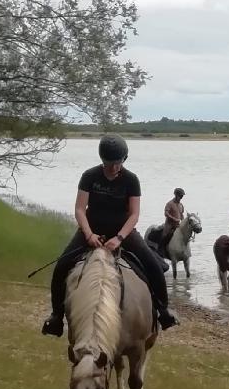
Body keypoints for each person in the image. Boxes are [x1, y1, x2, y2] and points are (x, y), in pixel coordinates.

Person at [42, 135, 179, 336]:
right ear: (102, 160)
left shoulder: (131, 180)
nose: (113, 168)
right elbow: (80, 209)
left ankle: (163, 311)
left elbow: (134, 214)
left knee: (153, 265)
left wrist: (120, 238)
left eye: (117, 163)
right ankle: (56, 316)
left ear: (124, 159)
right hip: (91, 230)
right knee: (61, 266)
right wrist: (88, 235)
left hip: (123, 231)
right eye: (108, 163)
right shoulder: (90, 176)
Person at [160, 187, 185, 256]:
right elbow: (166, 213)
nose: (181, 197)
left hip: (177, 224)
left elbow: (181, 214)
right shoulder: (169, 204)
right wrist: (174, 219)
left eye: (182, 196)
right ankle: (161, 249)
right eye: (180, 196)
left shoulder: (181, 205)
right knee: (165, 235)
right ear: (176, 195)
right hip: (169, 224)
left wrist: (183, 221)